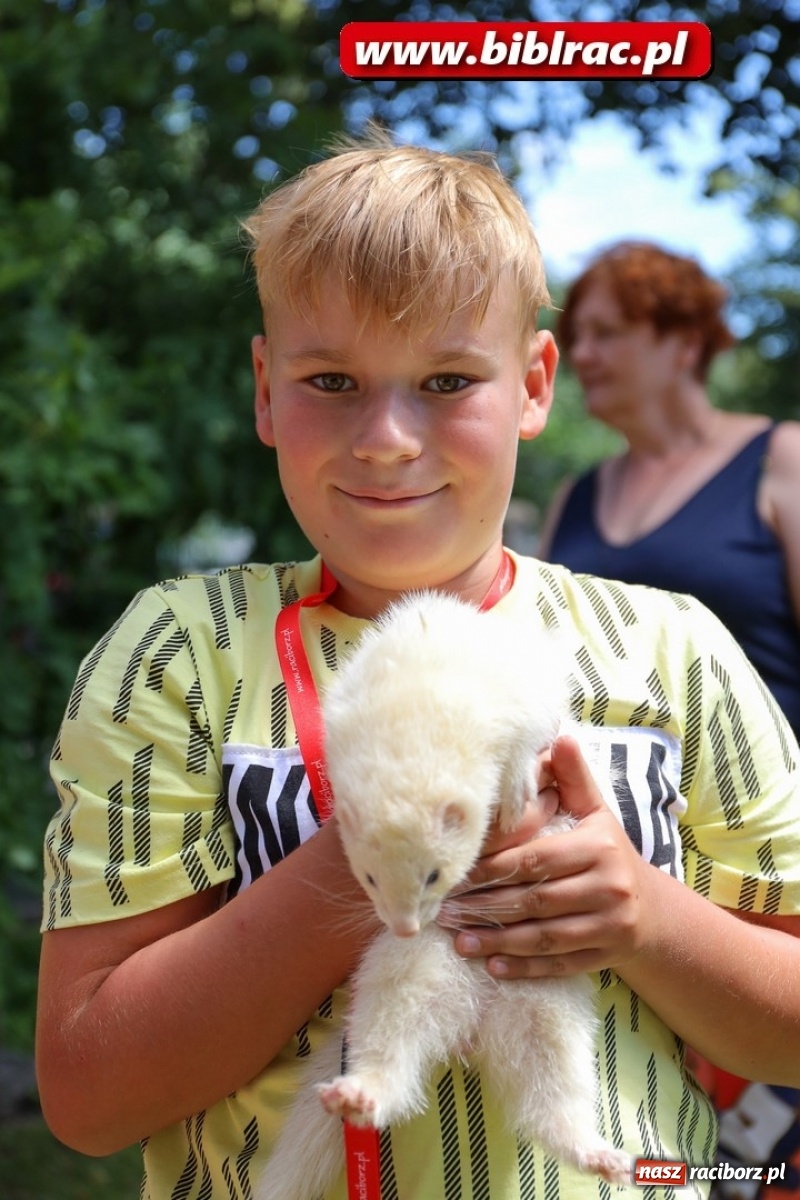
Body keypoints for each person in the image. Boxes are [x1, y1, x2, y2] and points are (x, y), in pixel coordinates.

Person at [36, 134, 800, 1200]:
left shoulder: (672, 652)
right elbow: (88, 1096)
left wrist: (642, 915)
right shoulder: (181, 652)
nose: (387, 437)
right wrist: (375, 846)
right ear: (266, 390)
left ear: (533, 383)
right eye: (331, 379)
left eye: (445, 379)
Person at [539, 240, 800, 1197]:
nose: (585, 355)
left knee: (768, 1166)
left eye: (608, 332)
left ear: (684, 338)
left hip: (765, 880)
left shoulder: (782, 463)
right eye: (579, 336)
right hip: (610, 883)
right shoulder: (575, 498)